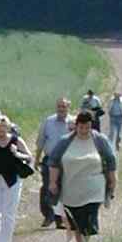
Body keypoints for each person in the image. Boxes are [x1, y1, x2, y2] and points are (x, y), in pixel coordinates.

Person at [47, 111, 117, 242]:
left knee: (90, 217)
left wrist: (112, 180)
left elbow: (110, 161)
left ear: (91, 126)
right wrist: (53, 182)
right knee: (75, 221)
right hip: (70, 187)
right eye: (81, 127)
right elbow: (53, 162)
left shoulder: (100, 140)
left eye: (87, 127)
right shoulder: (65, 141)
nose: (84, 130)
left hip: (94, 187)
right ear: (76, 126)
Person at [35, 97, 72, 228]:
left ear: (68, 107)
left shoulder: (73, 122)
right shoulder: (48, 121)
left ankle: (59, 219)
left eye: (64, 106)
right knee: (47, 187)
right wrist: (37, 159)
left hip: (67, 160)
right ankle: (48, 215)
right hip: (49, 159)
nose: (61, 109)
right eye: (59, 106)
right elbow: (41, 141)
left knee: (63, 189)